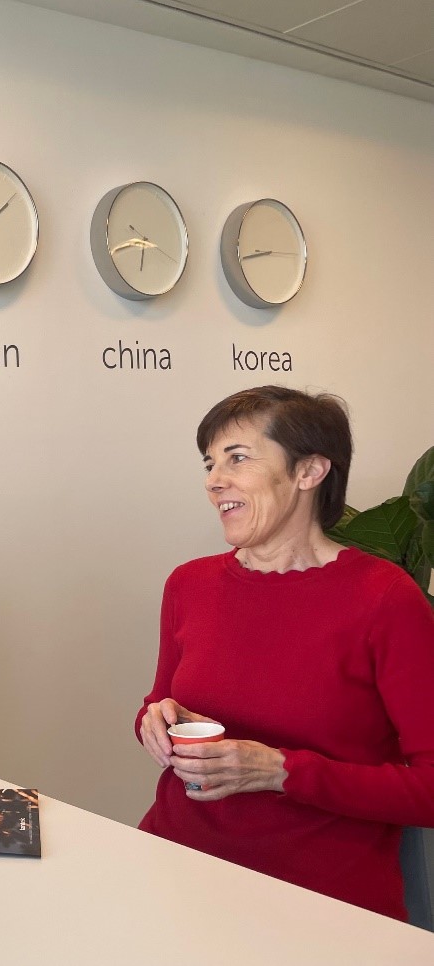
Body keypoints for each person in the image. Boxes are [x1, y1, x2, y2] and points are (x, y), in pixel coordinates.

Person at [136, 386, 434, 920]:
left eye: (238, 458)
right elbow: (161, 701)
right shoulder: (190, 584)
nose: (213, 481)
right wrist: (153, 720)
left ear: (310, 471)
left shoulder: (385, 599)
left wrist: (280, 771)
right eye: (209, 463)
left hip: (320, 904)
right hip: (174, 869)